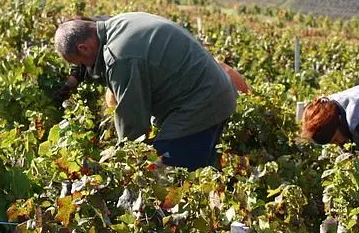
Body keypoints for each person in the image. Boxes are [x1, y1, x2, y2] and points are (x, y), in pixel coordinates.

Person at [54, 13, 237, 169]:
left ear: (83, 48)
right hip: (217, 92)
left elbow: (133, 124)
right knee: (199, 170)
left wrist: (122, 163)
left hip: (199, 104)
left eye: (81, 62)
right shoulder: (117, 23)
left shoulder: (119, 58)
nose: (86, 67)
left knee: (166, 175)